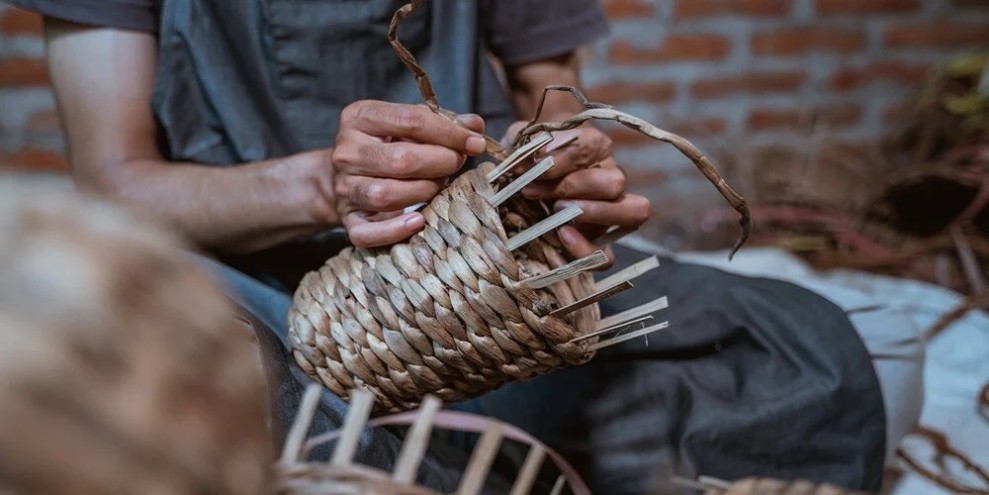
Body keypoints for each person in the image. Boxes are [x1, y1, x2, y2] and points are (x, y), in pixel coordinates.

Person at [7, 0, 919, 492]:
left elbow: (552, 97)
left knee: (798, 347)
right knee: (186, 382)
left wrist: (549, 177)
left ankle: (434, 458)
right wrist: (324, 185)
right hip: (241, 273)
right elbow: (113, 176)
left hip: (464, 294)